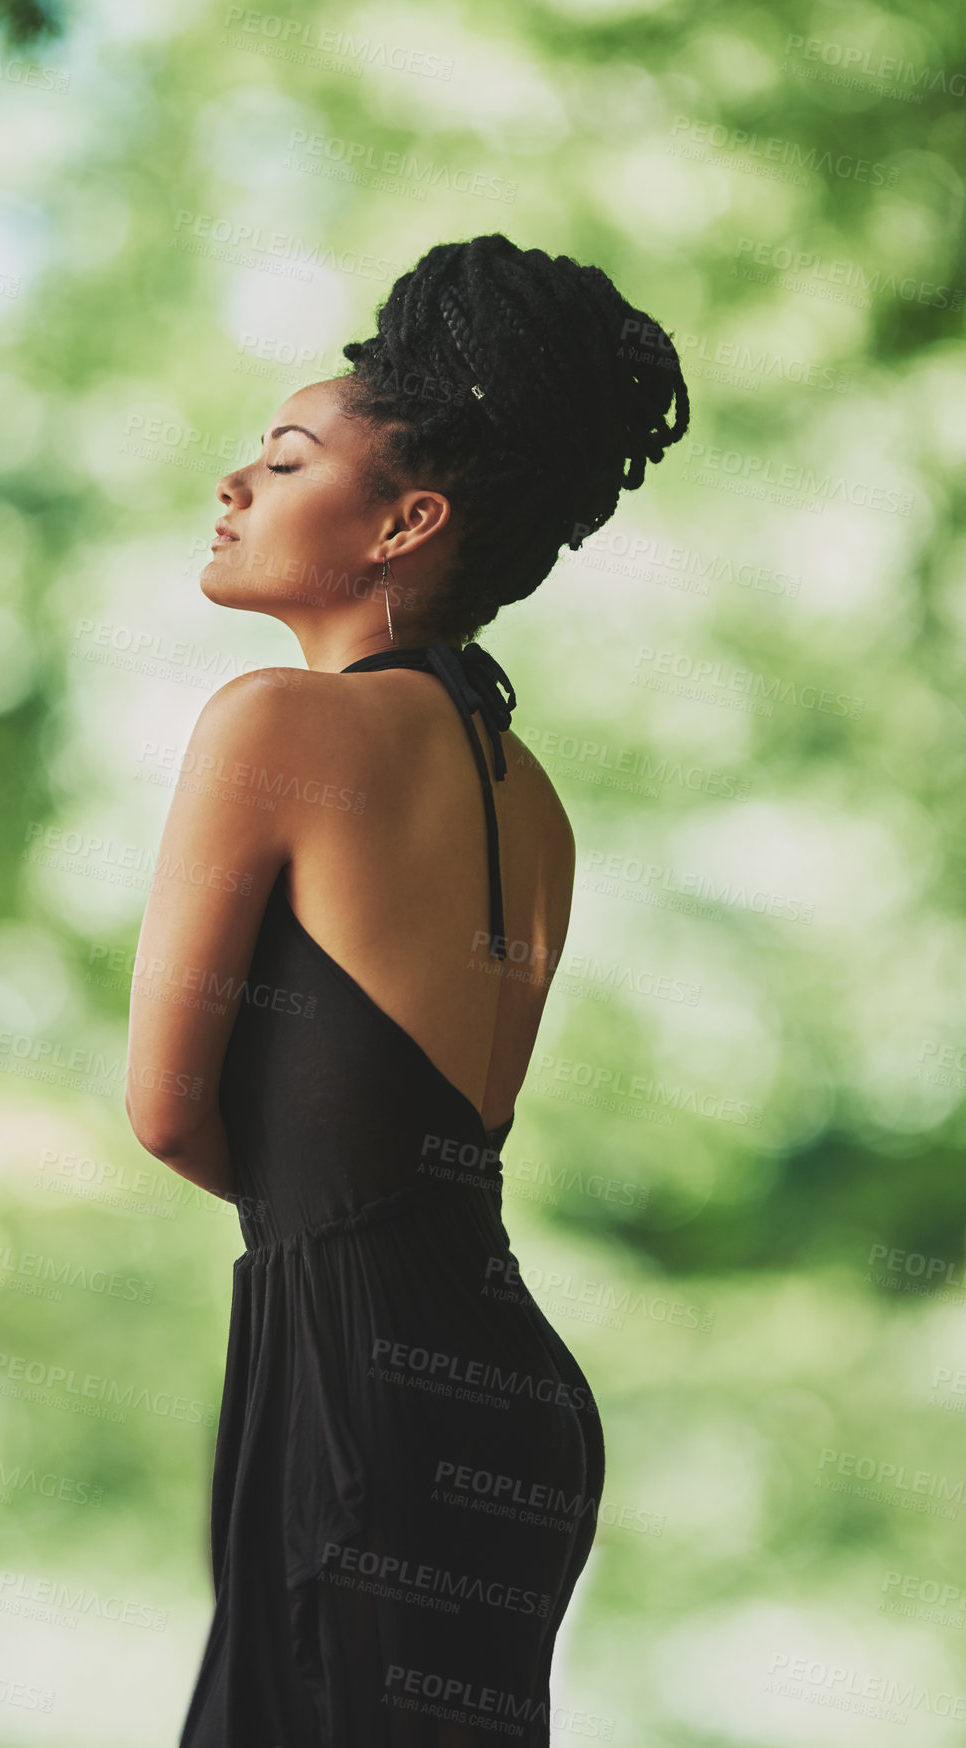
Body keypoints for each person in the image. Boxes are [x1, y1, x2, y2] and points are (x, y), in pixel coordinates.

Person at [125, 233, 690, 1746]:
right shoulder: (536, 799)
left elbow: (168, 1116)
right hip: (515, 1401)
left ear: (404, 522)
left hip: (355, 1396)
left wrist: (330, 1247)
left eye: (289, 458)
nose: (239, 482)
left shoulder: (271, 725)